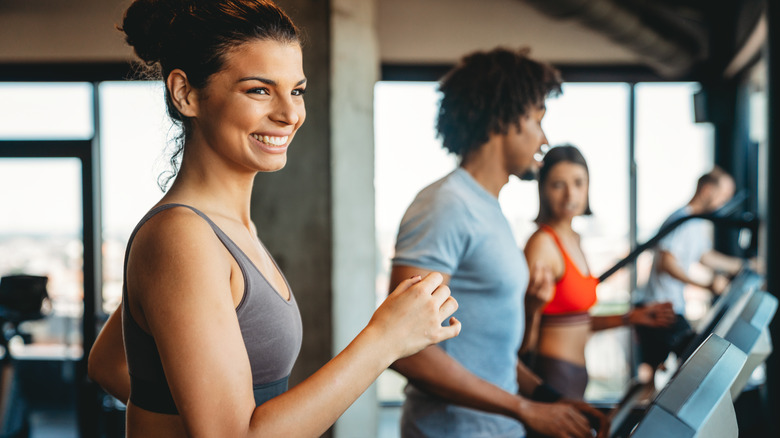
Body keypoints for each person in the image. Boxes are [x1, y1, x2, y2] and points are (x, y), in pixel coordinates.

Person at [86, 1, 461, 436]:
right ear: (186, 93)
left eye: (296, 90)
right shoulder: (182, 238)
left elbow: (108, 361)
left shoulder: (231, 230)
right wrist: (385, 340)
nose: (290, 114)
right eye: (259, 90)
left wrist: (178, 410)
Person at [388, 48, 608, 438]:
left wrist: (547, 397)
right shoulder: (445, 205)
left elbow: (490, 353)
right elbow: (404, 348)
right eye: (538, 121)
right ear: (504, 119)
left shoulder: (491, 211)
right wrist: (525, 409)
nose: (544, 139)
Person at [521, 145, 675, 400]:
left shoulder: (575, 239)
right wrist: (531, 308)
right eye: (558, 185)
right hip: (550, 375)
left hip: (575, 375)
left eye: (579, 183)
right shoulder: (542, 244)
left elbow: (579, 322)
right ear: (543, 190)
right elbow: (525, 336)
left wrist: (632, 317)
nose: (571, 194)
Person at [636, 166, 744, 368]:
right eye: (724, 195)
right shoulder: (681, 219)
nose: (724, 202)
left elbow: (705, 256)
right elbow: (666, 263)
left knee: (682, 365)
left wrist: (741, 265)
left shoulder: (696, 222)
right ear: (707, 190)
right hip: (659, 308)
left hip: (673, 307)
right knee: (691, 364)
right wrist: (706, 285)